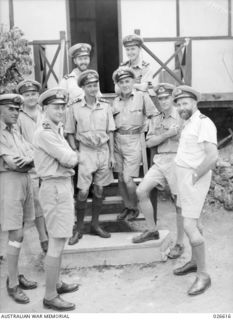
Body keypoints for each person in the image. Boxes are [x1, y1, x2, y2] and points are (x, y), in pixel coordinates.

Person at [34, 88, 79, 311]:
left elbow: (69, 156)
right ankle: (50, 295)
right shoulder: (45, 132)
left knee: (60, 238)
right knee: (57, 240)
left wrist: (70, 156)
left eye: (62, 107)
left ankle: (57, 283)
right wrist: (70, 156)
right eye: (56, 107)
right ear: (45, 108)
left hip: (61, 186)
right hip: (54, 187)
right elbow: (69, 158)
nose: (60, 110)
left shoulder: (55, 129)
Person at [172, 85, 218, 296]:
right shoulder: (188, 122)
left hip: (193, 178)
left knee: (189, 226)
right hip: (184, 177)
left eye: (185, 103)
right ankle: (193, 261)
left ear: (194, 103)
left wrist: (194, 177)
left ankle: (203, 275)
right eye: (179, 104)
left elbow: (212, 156)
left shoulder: (203, 123)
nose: (182, 107)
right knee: (192, 220)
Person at [133, 83, 185, 259]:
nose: (163, 101)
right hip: (160, 160)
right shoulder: (156, 119)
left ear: (172, 98)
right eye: (160, 98)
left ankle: (179, 243)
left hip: (177, 159)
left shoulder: (182, 116)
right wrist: (166, 135)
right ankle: (152, 229)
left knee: (179, 203)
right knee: (141, 191)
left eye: (166, 98)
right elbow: (149, 143)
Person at [65, 70, 116, 245]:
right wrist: (75, 152)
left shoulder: (106, 106)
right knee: (83, 191)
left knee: (100, 190)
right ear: (83, 88)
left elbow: (110, 131)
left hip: (103, 151)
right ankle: (78, 229)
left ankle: (95, 224)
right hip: (85, 152)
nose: (93, 88)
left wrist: (111, 156)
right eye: (89, 86)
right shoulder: (75, 107)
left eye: (95, 85)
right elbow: (70, 132)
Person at [0, 93, 37, 304]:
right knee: (16, 233)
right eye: (11, 109)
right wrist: (30, 160)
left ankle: (14, 274)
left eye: (17, 109)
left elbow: (33, 154)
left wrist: (29, 160)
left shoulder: (14, 130)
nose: (15, 113)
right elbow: (13, 164)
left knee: (20, 232)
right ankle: (12, 284)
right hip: (9, 182)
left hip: (24, 181)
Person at [112, 67, 157, 221]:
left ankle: (135, 206)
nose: (124, 85)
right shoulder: (115, 101)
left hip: (134, 140)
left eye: (127, 81)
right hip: (118, 140)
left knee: (128, 179)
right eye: (121, 82)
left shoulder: (141, 96)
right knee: (120, 178)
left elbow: (154, 115)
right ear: (118, 84)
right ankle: (127, 206)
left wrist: (149, 132)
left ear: (133, 81)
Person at [16, 79, 48, 253]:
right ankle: (43, 238)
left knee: (52, 199)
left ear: (38, 95)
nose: (30, 98)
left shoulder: (45, 113)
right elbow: (18, 141)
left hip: (49, 163)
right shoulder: (19, 117)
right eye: (27, 95)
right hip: (32, 165)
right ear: (22, 97)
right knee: (37, 202)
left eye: (33, 94)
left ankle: (54, 232)